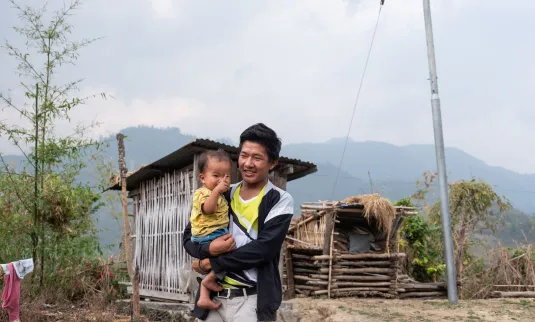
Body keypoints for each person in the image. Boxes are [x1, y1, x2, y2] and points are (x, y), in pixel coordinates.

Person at [183, 123, 294, 322]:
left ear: (273, 162)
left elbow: (263, 249)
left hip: (251, 300)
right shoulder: (224, 193)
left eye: (257, 157)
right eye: (244, 155)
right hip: (215, 298)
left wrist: (211, 263)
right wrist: (208, 249)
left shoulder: (279, 200)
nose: (248, 163)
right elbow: (190, 235)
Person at [189, 149, 232, 310]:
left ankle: (204, 295)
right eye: (216, 176)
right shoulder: (203, 193)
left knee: (226, 256)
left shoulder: (220, 194)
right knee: (233, 254)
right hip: (209, 235)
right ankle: (209, 280)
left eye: (226, 176)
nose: (221, 180)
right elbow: (209, 209)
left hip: (213, 234)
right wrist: (216, 191)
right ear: (202, 178)